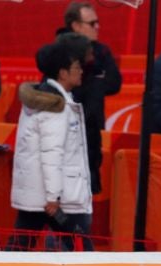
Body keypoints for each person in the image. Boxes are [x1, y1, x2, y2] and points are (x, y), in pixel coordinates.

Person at [7, 42, 93, 252]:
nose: (81, 71)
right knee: (82, 249)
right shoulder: (54, 106)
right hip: (53, 200)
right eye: (77, 67)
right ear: (63, 73)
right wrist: (53, 197)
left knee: (18, 248)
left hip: (39, 195)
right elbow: (51, 153)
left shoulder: (44, 100)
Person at [58, 2, 122, 195]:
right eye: (92, 23)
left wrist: (95, 85)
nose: (97, 27)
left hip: (92, 129)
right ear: (76, 26)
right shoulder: (59, 50)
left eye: (97, 22)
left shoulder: (101, 51)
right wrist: (94, 81)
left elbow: (115, 82)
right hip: (65, 128)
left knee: (90, 185)